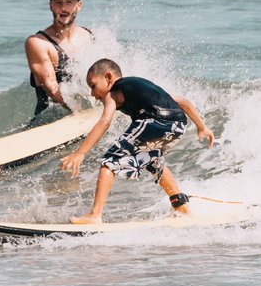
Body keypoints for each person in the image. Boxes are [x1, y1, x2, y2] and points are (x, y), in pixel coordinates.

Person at [60, 59, 215, 224]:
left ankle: (95, 215)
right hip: (178, 124)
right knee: (153, 161)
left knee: (110, 160)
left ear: (108, 77)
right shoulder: (139, 86)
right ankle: (181, 207)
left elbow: (105, 121)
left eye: (93, 86)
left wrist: (80, 152)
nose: (92, 93)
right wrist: (201, 126)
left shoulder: (113, 91)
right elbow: (183, 102)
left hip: (156, 121)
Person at [25, 0, 94, 116]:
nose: (63, 8)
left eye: (69, 2)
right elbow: (52, 89)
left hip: (84, 116)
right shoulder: (38, 42)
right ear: (50, 6)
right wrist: (80, 112)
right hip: (49, 120)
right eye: (58, 2)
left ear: (79, 6)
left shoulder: (89, 36)